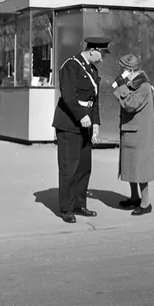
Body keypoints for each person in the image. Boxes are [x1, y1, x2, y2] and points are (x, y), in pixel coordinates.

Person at [52, 37, 111, 224]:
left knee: (84, 168)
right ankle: (67, 209)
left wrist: (96, 123)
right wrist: (81, 116)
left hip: (86, 124)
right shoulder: (71, 65)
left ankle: (79, 204)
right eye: (102, 54)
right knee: (69, 168)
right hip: (70, 124)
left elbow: (94, 100)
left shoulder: (92, 69)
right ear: (92, 50)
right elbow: (68, 95)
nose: (102, 59)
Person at [112, 54, 154, 217]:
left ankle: (146, 203)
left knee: (141, 169)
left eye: (123, 70)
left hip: (140, 134)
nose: (122, 73)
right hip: (131, 131)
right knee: (130, 166)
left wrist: (122, 87)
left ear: (130, 70)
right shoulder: (132, 84)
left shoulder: (144, 86)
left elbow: (131, 105)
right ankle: (134, 197)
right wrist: (123, 86)